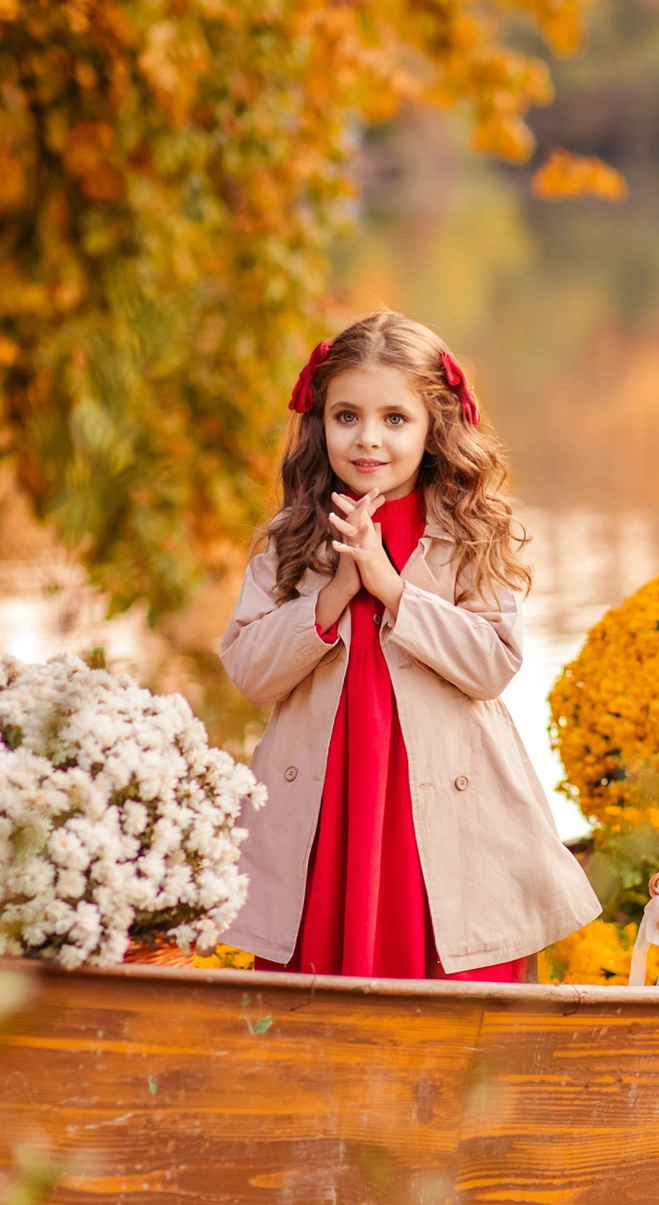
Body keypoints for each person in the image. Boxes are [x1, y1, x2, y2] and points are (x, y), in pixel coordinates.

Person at [220, 311, 598, 979]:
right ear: (321, 422)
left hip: (441, 799)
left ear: (433, 427)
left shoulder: (471, 531)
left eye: (395, 418)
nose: (369, 439)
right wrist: (334, 591)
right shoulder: (292, 538)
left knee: (450, 976)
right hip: (331, 793)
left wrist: (392, 588)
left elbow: (493, 663)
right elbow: (251, 672)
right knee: (319, 976)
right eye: (347, 416)